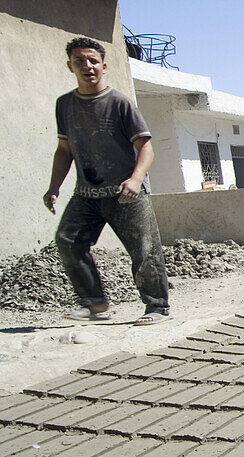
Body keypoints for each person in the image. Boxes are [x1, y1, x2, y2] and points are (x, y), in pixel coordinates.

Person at [43, 37, 171, 325]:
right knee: (68, 241)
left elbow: (146, 147)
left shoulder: (119, 103)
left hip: (126, 193)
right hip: (86, 194)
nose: (86, 66)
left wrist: (136, 180)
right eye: (79, 61)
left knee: (144, 251)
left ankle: (157, 307)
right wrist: (54, 186)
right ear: (70, 66)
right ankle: (95, 304)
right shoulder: (64, 105)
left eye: (92, 61)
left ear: (103, 65)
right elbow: (64, 150)